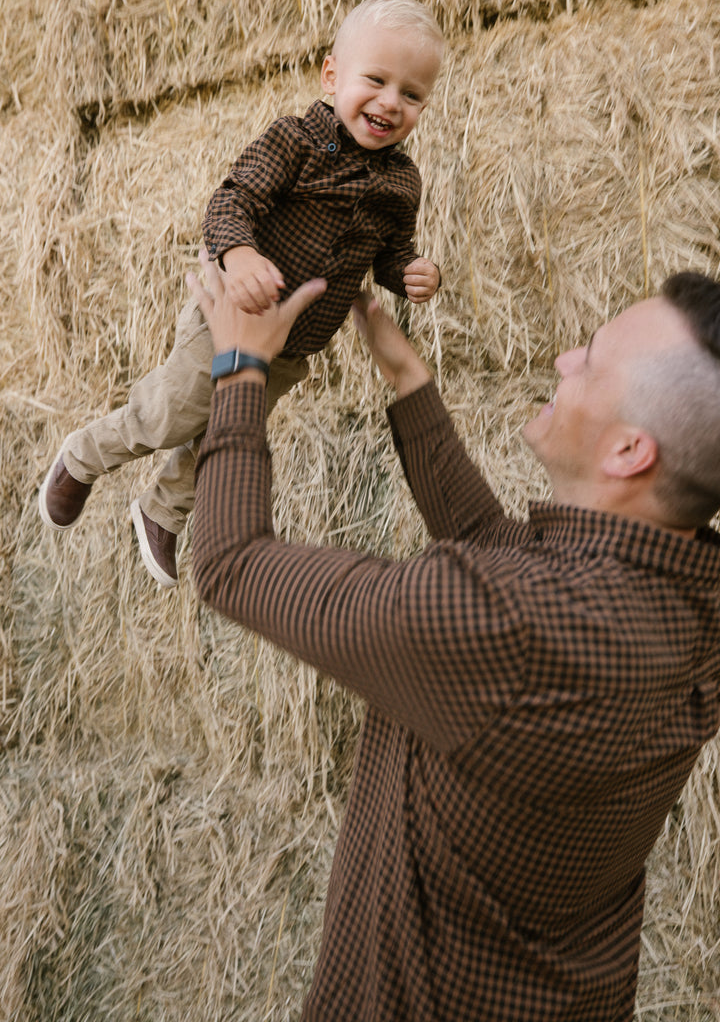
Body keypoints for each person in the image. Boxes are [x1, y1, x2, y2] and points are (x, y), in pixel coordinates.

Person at [188, 249, 720, 1021]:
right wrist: (411, 385)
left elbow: (232, 563)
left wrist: (240, 367)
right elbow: (500, 547)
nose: (567, 358)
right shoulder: (687, 601)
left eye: (592, 359)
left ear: (630, 451)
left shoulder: (502, 623)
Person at [38, 0, 445, 587]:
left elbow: (390, 254)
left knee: (226, 431)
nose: (391, 102)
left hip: (291, 346)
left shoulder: (403, 183)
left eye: (411, 95)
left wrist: (412, 273)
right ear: (332, 76)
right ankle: (82, 456)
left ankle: (161, 511)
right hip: (230, 313)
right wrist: (240, 252)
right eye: (376, 80)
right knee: (175, 414)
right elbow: (232, 200)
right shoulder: (295, 142)